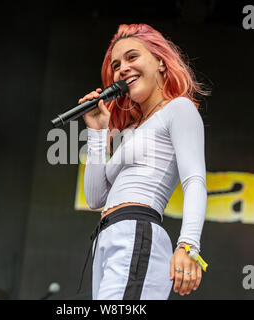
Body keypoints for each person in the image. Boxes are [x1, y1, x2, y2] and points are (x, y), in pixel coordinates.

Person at [80, 23, 209, 300]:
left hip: (136, 231)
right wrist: (98, 131)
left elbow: (195, 180)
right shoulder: (130, 131)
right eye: (116, 65)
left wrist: (188, 246)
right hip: (108, 236)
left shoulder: (178, 109)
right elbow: (94, 197)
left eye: (132, 57)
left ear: (160, 61)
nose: (122, 68)